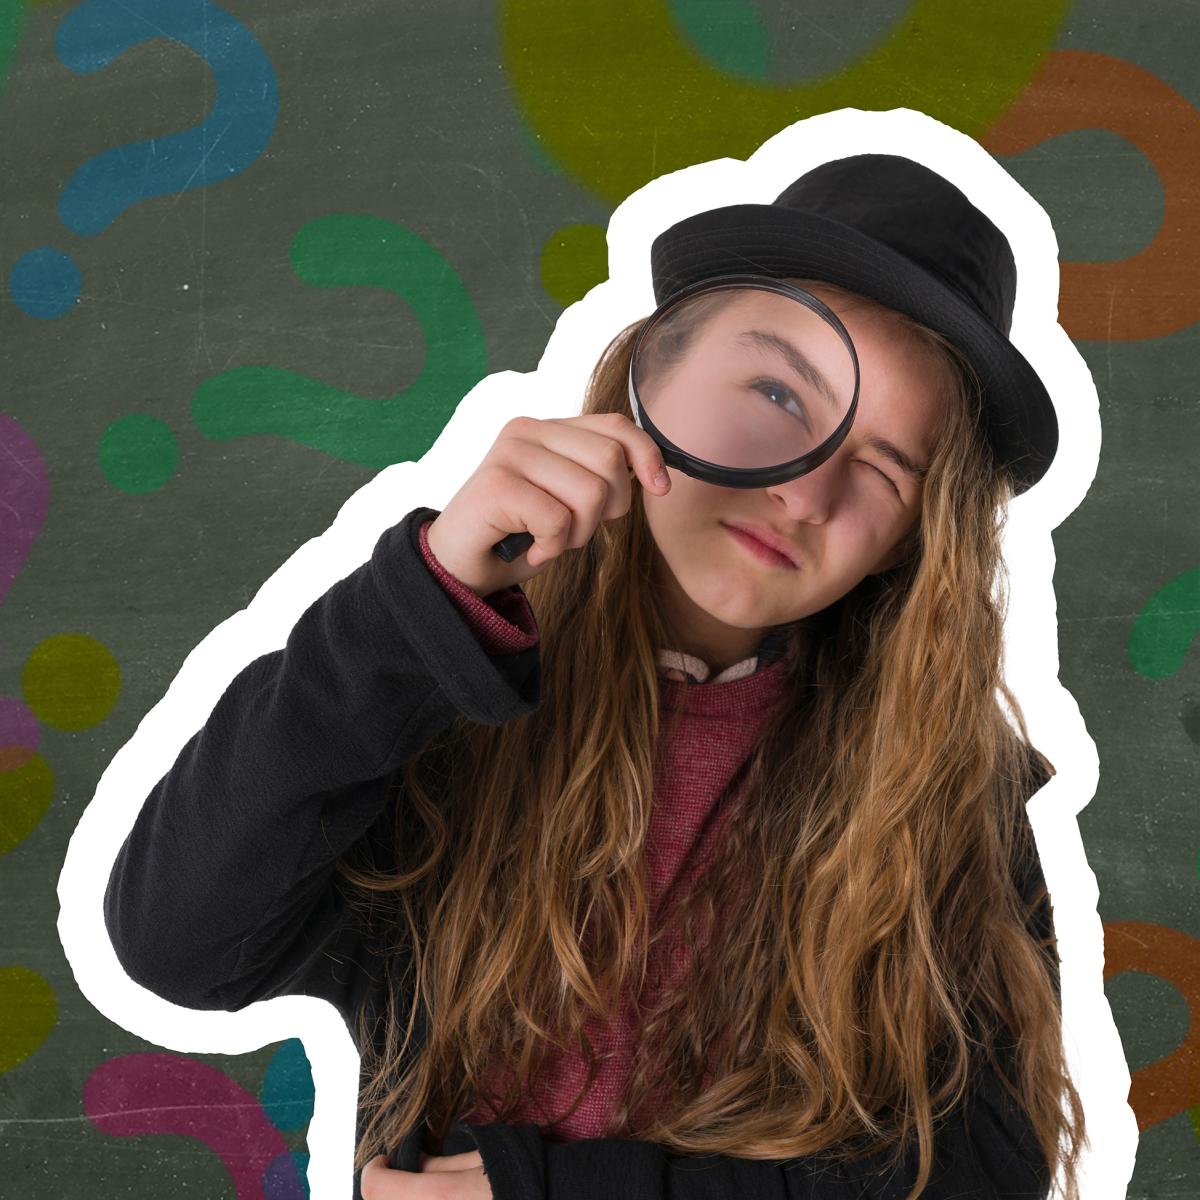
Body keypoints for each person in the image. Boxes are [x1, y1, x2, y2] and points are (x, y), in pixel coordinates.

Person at [103, 153, 1087, 1200]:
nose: (804, 491)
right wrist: (422, 600)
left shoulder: (941, 789)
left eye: (886, 470)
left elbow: (985, 1174)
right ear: (648, 380)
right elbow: (179, 942)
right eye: (774, 391)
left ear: (907, 544)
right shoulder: (438, 685)